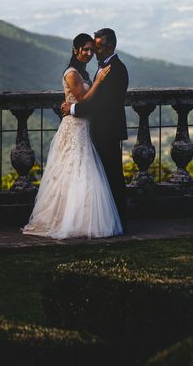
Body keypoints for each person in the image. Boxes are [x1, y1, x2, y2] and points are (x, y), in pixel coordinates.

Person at [22, 33, 123, 239]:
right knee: (72, 171)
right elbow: (83, 97)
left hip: (85, 127)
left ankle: (82, 219)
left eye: (91, 49)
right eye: (85, 49)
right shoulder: (72, 73)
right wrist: (98, 81)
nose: (89, 53)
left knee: (84, 172)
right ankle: (68, 219)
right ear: (75, 50)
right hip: (74, 128)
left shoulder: (85, 73)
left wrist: (75, 106)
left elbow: (90, 102)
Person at [60, 28, 129, 223]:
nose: (94, 52)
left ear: (110, 47)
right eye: (92, 47)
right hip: (96, 130)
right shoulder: (99, 68)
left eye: (98, 47)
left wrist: (73, 109)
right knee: (100, 177)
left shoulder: (116, 69)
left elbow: (103, 104)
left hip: (107, 130)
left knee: (113, 176)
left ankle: (117, 219)